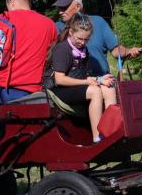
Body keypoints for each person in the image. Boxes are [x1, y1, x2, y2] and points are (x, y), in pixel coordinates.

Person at [0, 0, 57, 144]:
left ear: (12, 1)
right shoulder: (50, 24)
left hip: (4, 89)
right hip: (34, 90)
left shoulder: (2, 20)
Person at [44, 14, 115, 143]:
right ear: (71, 32)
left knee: (109, 89)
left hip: (75, 87)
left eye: (86, 39)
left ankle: (111, 131)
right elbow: (59, 79)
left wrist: (100, 79)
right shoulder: (62, 49)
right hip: (58, 90)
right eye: (80, 39)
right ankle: (97, 137)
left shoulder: (83, 50)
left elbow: (84, 76)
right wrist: (87, 82)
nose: (82, 42)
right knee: (95, 91)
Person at [53, 0, 142, 79]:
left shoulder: (98, 22)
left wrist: (129, 51)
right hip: (72, 82)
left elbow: (116, 51)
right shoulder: (55, 27)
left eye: (64, 7)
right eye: (59, 8)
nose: (60, 12)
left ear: (78, 6)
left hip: (102, 80)